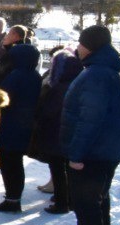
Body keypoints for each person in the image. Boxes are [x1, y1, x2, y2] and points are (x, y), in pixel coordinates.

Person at [54, 25, 120, 225]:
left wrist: (76, 154)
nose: (78, 48)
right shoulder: (102, 71)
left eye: (81, 43)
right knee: (96, 206)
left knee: (88, 210)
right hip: (102, 152)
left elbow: (89, 119)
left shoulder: (97, 75)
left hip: (93, 155)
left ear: (91, 45)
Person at [29, 50, 83, 215]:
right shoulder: (77, 84)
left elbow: (48, 111)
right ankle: (69, 199)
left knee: (58, 169)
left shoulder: (59, 87)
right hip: (69, 134)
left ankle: (61, 202)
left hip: (56, 133)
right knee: (67, 169)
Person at [0, 43, 40, 213]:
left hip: (11, 124)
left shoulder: (16, 75)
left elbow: (4, 98)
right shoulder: (34, 75)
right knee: (16, 162)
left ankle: (12, 199)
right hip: (24, 124)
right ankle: (14, 197)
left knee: (9, 163)